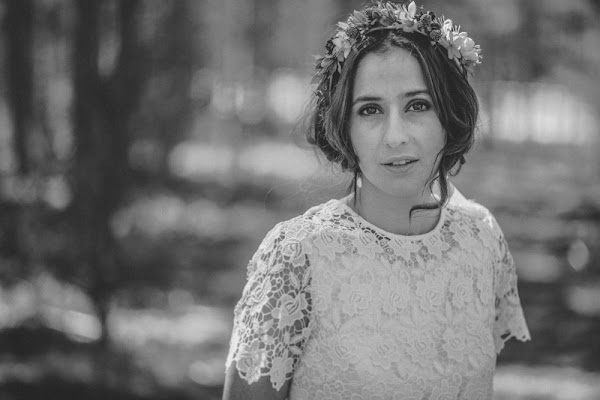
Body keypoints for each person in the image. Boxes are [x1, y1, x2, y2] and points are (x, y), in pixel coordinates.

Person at [223, 2, 530, 399]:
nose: (395, 136)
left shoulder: (482, 239)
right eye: (370, 110)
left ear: (449, 115)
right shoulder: (297, 256)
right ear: (344, 128)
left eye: (418, 105)